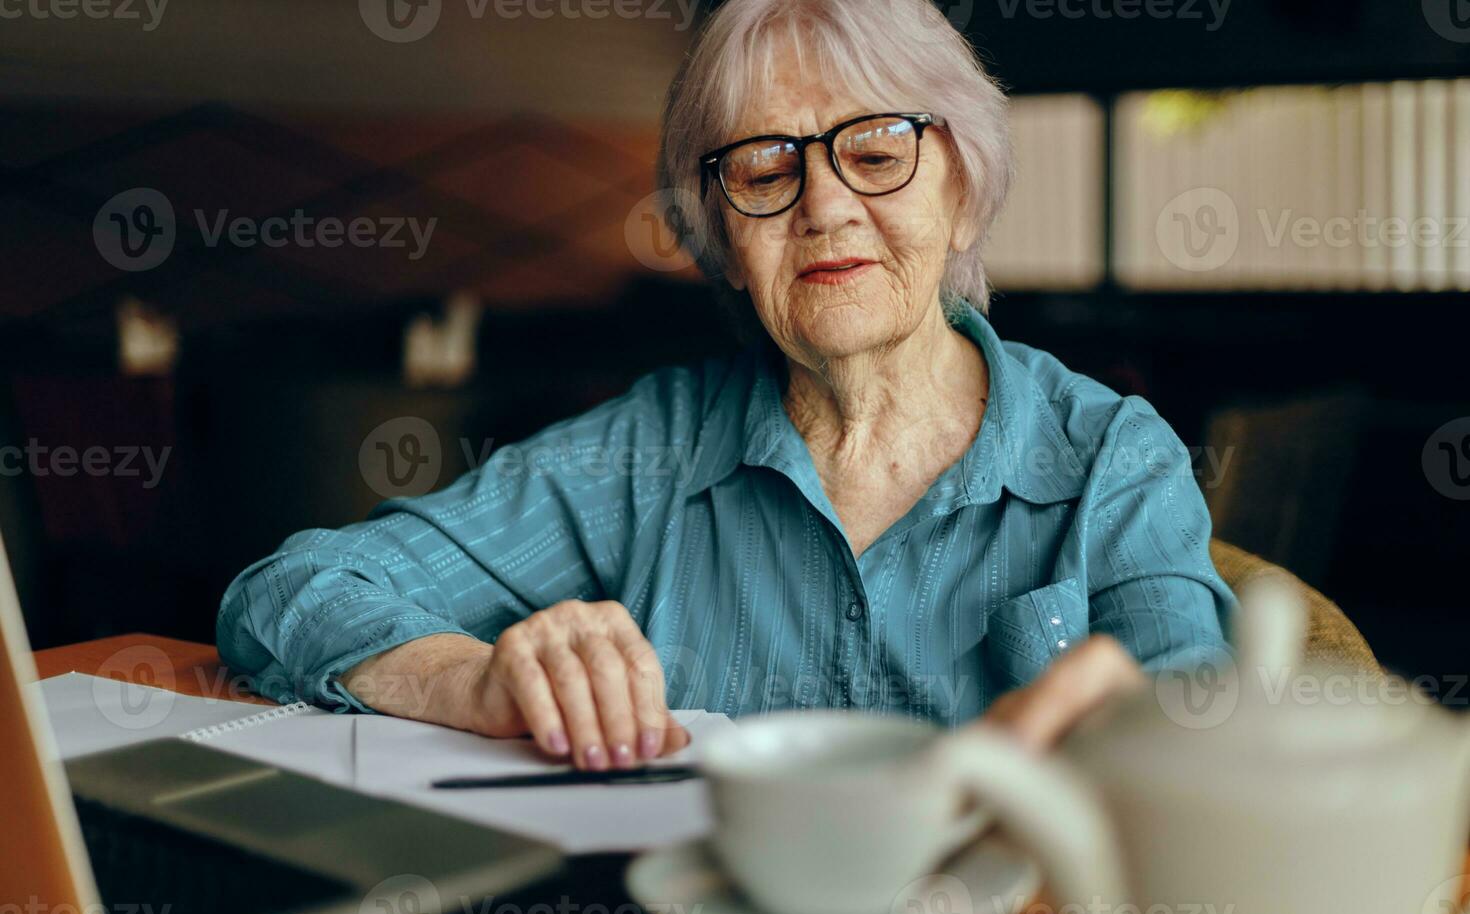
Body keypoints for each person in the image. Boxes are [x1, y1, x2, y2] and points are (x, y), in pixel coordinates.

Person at [218, 0, 1233, 770]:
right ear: (723, 234)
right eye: (762, 168)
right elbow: (282, 595)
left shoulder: (1111, 460)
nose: (825, 205)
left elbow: (1206, 741)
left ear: (963, 192)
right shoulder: (644, 453)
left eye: (877, 151)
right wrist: (471, 679)